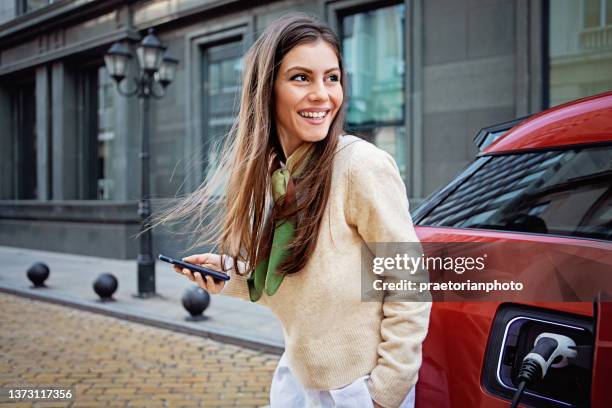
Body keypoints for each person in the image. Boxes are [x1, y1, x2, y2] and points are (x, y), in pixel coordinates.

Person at [155, 12, 431, 408]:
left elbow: (410, 283)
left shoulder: (360, 165)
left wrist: (385, 392)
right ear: (268, 89)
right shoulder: (279, 174)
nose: (322, 94)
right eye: (301, 77)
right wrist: (231, 277)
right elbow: (308, 289)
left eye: (331, 78)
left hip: (357, 389)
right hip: (297, 381)